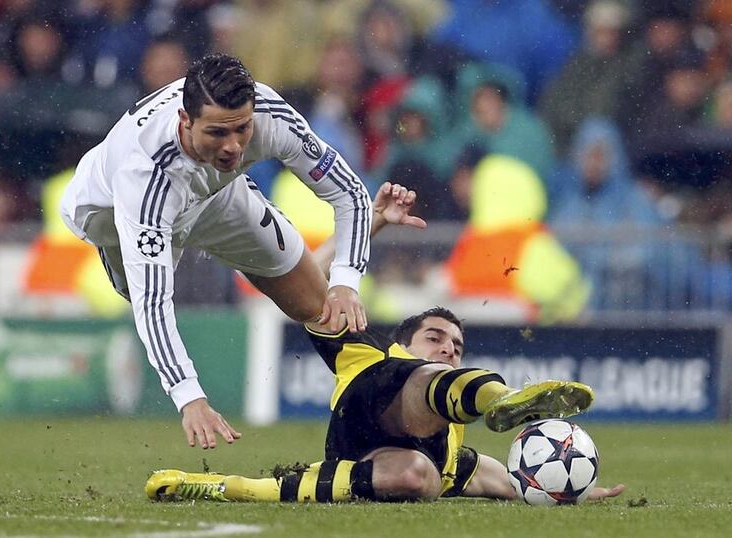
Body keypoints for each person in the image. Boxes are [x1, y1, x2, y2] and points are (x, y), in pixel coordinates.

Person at [145, 184, 622, 503]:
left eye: (456, 346)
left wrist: (566, 488)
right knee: (427, 381)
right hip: (374, 401)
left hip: (390, 458)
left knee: (421, 478)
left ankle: (228, 487)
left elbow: (513, 482)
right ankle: (505, 397)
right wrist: (368, 224)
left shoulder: (456, 454)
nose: (448, 348)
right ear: (403, 341)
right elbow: (302, 277)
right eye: (434, 337)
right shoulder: (368, 350)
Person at [60, 54, 372, 450]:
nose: (233, 146)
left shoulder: (271, 115)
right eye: (217, 133)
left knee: (317, 302)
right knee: (140, 289)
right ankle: (119, 252)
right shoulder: (144, 177)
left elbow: (351, 194)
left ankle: (375, 409)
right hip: (111, 215)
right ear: (184, 121)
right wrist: (190, 397)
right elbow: (154, 304)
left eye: (242, 129)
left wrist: (346, 280)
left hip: (216, 196)